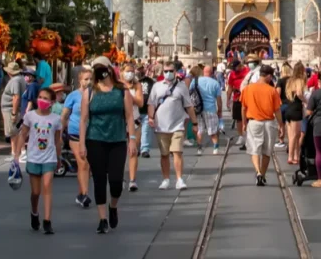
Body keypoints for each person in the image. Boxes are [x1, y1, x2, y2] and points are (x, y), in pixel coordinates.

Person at [80, 62, 137, 234]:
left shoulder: (122, 91)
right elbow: (84, 119)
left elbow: (129, 116)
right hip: (95, 139)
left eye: (106, 71)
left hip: (117, 140)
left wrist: (132, 139)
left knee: (116, 181)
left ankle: (113, 206)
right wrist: (82, 144)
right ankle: (102, 218)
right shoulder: (89, 92)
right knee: (99, 179)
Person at [148, 60, 197, 191]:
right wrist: (150, 117)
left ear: (175, 72)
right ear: (162, 72)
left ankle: (179, 179)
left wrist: (195, 123)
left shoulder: (182, 87)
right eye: (166, 71)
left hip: (178, 125)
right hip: (161, 125)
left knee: (177, 152)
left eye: (171, 71)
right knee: (164, 154)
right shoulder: (157, 86)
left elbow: (189, 106)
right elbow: (151, 103)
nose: (168, 73)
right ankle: (166, 179)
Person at [19, 86, 62, 234]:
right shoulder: (30, 116)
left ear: (52, 102)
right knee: (36, 192)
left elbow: (57, 140)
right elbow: (23, 134)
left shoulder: (56, 119)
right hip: (34, 157)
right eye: (40, 97)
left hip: (49, 158)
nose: (42, 100)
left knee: (47, 186)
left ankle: (47, 220)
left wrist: (59, 157)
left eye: (46, 98)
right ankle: (34, 212)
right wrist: (16, 154)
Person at [240, 64, 281, 187]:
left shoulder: (248, 89)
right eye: (271, 77)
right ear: (268, 76)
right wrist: (281, 125)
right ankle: (262, 175)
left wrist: (244, 123)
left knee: (254, 149)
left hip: (253, 122)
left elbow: (243, 108)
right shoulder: (272, 90)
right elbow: (277, 110)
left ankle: (257, 172)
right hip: (269, 123)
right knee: (267, 151)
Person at [63, 68, 93, 206]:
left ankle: (81, 192)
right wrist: (58, 133)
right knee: (83, 163)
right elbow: (64, 116)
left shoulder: (96, 95)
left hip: (91, 133)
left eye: (91, 79)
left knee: (88, 166)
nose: (89, 82)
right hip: (75, 132)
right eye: (86, 79)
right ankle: (85, 194)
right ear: (80, 81)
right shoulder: (73, 96)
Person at [0, 62, 28, 161]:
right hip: (11, 108)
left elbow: (16, 97)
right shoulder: (20, 79)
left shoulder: (15, 81)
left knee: (14, 131)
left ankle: (20, 152)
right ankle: (14, 153)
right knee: (13, 132)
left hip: (10, 108)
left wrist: (14, 113)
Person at [194, 65, 222, 157]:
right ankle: (215, 148)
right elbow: (218, 99)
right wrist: (219, 111)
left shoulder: (196, 80)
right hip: (210, 109)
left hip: (198, 109)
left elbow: (190, 93)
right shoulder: (215, 83)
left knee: (200, 130)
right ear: (212, 73)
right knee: (213, 130)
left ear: (203, 72)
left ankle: (199, 149)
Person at [281, 64, 305, 165]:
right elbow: (299, 93)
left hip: (289, 108)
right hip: (296, 109)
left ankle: (296, 155)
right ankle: (291, 156)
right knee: (295, 136)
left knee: (292, 134)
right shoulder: (299, 81)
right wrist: (305, 100)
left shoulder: (289, 81)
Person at [225, 59, 249, 150]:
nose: (235, 70)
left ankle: (247, 135)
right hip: (237, 98)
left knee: (247, 117)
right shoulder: (232, 74)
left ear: (240, 65)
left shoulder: (247, 71)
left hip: (247, 97)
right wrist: (228, 99)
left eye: (236, 67)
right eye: (233, 68)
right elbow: (230, 86)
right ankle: (241, 136)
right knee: (238, 119)